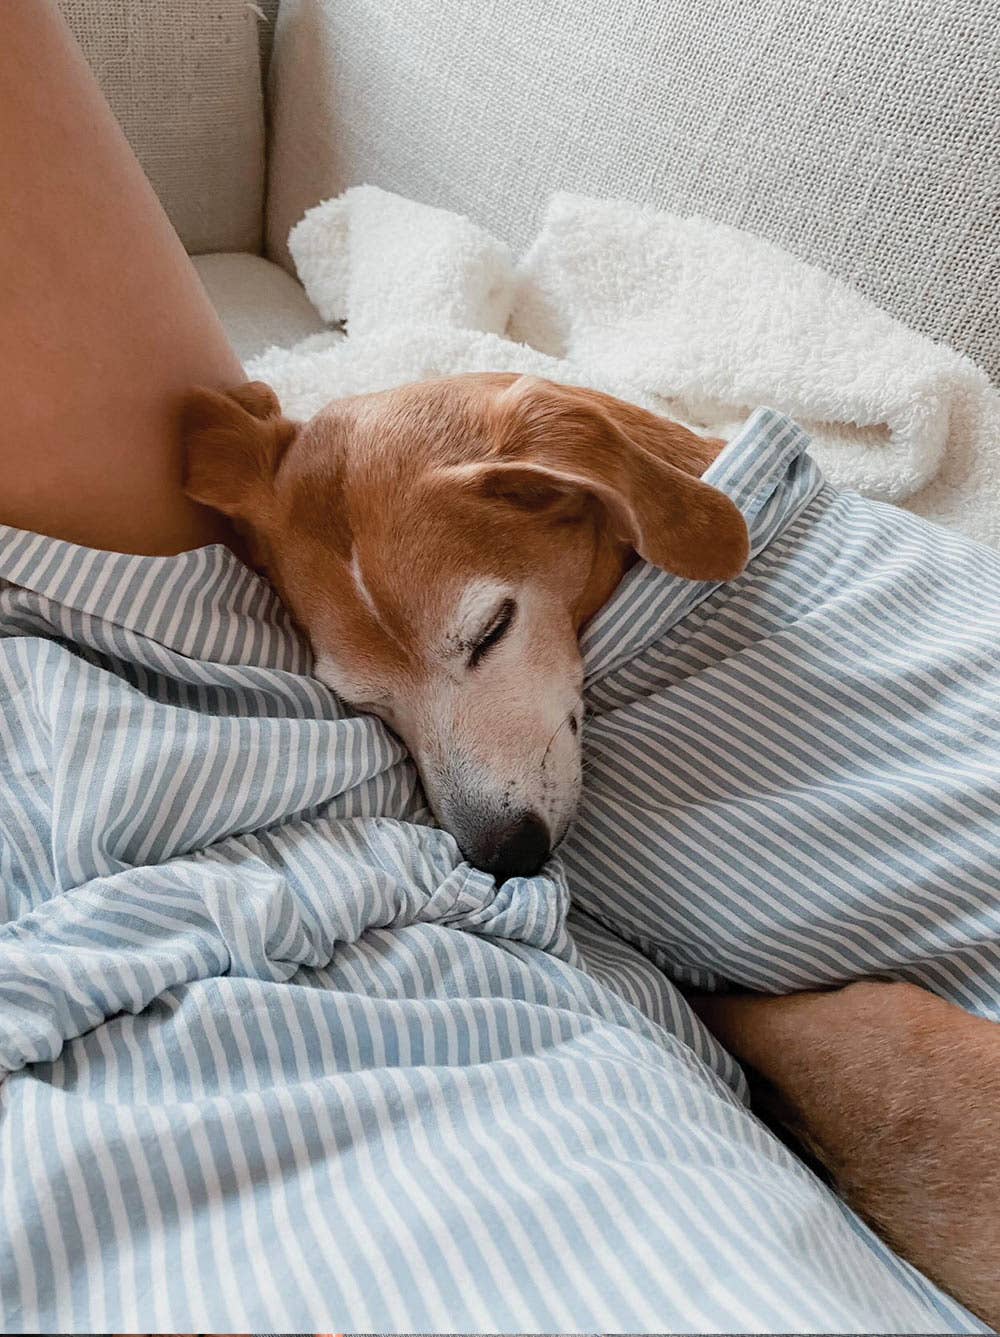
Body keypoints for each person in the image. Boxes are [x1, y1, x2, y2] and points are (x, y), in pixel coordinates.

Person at [1, 4, 995, 1332]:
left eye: (481, 638)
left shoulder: (734, 598)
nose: (471, 797)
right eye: (379, 703)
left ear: (576, 495)